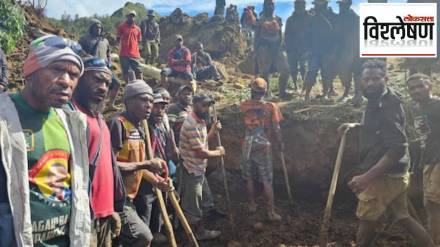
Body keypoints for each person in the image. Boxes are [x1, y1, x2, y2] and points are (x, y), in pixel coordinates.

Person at [0, 34, 90, 246]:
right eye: (57, 69)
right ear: (30, 72)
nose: (66, 82)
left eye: (73, 75)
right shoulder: (4, 118)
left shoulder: (72, 124)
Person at [338, 60, 435, 247]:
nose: (371, 83)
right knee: (402, 216)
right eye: (367, 79)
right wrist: (357, 126)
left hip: (384, 174)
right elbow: (382, 130)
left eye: (376, 79)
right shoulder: (379, 99)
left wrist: (366, 177)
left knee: (366, 220)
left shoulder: (387, 107)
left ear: (386, 79)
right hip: (396, 173)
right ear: (360, 80)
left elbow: (397, 146)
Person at [108, 80, 170, 247]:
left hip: (129, 198)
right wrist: (146, 164)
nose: (149, 105)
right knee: (144, 237)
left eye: (151, 101)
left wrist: (157, 181)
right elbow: (109, 166)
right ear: (128, 101)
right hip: (115, 199)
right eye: (144, 100)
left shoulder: (140, 128)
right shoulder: (118, 124)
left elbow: (138, 166)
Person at [72, 57, 124, 247]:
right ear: (79, 79)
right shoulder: (71, 116)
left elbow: (108, 168)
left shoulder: (99, 118)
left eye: (107, 83)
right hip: (84, 219)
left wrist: (112, 208)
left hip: (104, 215)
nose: (103, 88)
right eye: (97, 80)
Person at [134, 92, 178, 244]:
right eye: (156, 107)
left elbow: (167, 155)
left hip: (161, 176)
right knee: (145, 210)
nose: (159, 110)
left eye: (163, 107)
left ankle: (156, 234)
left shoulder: (162, 129)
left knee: (160, 209)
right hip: (145, 179)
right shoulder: (141, 130)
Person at [179, 94, 225, 240]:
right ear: (195, 104)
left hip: (199, 170)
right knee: (194, 206)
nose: (207, 108)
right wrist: (218, 152)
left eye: (208, 106)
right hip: (191, 171)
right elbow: (201, 153)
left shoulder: (201, 121)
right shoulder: (191, 123)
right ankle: (196, 234)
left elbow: (203, 141)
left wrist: (213, 130)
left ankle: (201, 226)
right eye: (203, 105)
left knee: (206, 201)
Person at [240, 78, 283, 221]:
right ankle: (271, 213)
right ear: (265, 91)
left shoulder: (244, 105)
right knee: (266, 179)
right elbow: (276, 128)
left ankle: (252, 205)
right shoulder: (271, 106)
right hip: (263, 144)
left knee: (249, 177)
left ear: (251, 90)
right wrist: (280, 143)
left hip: (247, 143)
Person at [406, 73, 440, 245]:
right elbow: (423, 137)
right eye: (412, 88)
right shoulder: (416, 108)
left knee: (433, 203)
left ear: (430, 86)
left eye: (420, 86)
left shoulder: (438, 105)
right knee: (429, 203)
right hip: (428, 160)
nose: (416, 90)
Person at [79, 18, 121, 111]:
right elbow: (80, 52)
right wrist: (90, 59)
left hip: (105, 69)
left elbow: (108, 54)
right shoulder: (84, 39)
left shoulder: (105, 41)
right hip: (91, 69)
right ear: (91, 28)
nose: (98, 29)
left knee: (116, 83)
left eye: (100, 27)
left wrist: (109, 63)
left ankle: (110, 104)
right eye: (96, 27)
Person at [254, 0, 290, 99]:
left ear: (274, 6)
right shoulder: (260, 20)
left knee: (286, 70)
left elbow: (279, 34)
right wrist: (255, 50)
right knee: (264, 73)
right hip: (264, 48)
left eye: (272, 4)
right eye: (268, 4)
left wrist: (281, 45)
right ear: (264, 6)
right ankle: (266, 94)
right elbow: (256, 36)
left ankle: (282, 92)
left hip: (276, 48)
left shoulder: (278, 19)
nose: (270, 6)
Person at [303, 0, 337, 101]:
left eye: (318, 4)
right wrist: (308, 49)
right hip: (315, 51)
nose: (316, 6)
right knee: (312, 72)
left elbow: (336, 36)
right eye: (316, 4)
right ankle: (307, 95)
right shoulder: (312, 19)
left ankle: (325, 94)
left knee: (326, 73)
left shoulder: (333, 17)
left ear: (325, 4)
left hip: (328, 51)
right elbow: (307, 35)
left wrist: (333, 52)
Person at [284, 0, 311, 92]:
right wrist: (288, 48)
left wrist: (309, 48)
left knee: (304, 68)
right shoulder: (290, 19)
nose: (298, 6)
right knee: (293, 69)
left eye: (300, 4)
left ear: (304, 5)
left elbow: (313, 34)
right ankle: (296, 86)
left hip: (305, 48)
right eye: (297, 4)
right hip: (292, 48)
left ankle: (305, 88)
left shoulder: (310, 18)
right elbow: (287, 35)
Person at [117, 10, 143, 83]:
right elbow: (118, 38)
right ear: (127, 17)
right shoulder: (121, 27)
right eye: (130, 16)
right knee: (126, 71)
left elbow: (139, 40)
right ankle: (128, 86)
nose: (131, 18)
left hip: (134, 54)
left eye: (133, 16)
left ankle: (141, 85)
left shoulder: (138, 29)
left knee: (138, 70)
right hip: (123, 54)